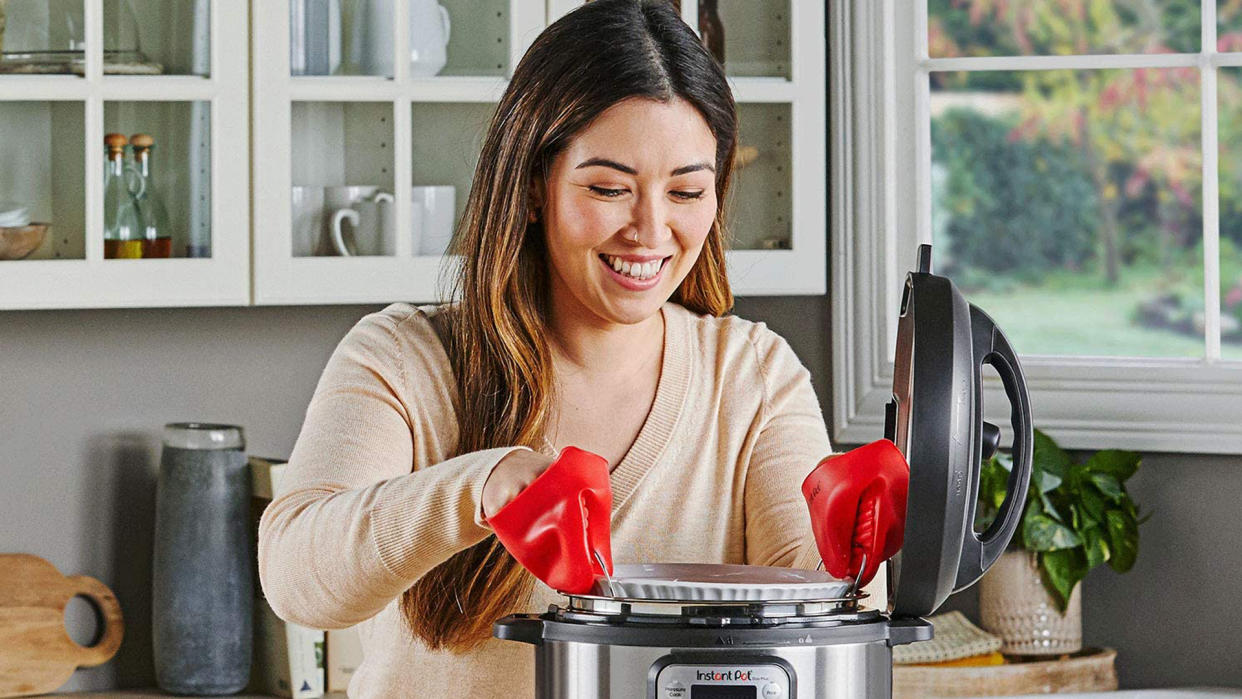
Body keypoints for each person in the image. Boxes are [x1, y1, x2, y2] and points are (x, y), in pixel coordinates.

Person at [258, 1, 903, 697]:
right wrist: (485, 486)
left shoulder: (754, 378)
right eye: (608, 188)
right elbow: (298, 579)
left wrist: (853, 557)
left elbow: (808, 611)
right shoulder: (406, 360)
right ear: (535, 185)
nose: (650, 230)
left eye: (686, 190)